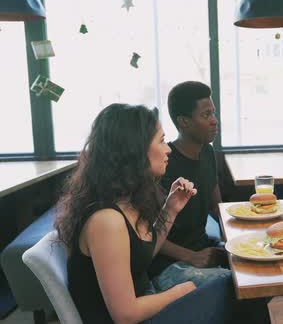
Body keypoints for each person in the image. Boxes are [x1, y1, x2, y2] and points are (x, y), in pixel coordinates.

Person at [54, 103, 232, 323]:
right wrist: (183, 291)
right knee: (237, 292)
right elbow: (125, 314)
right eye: (161, 141)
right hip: (137, 317)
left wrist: (171, 208)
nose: (168, 149)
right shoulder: (106, 221)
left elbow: (143, 254)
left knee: (237, 285)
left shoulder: (124, 199)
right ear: (134, 150)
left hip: (147, 300)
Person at [148, 81, 270, 323]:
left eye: (213, 113)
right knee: (244, 292)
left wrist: (244, 234)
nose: (214, 120)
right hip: (170, 264)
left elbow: (217, 207)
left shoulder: (207, 153)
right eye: (206, 115)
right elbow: (147, 238)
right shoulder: (163, 165)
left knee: (264, 273)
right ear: (183, 122)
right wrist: (191, 257)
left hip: (203, 246)